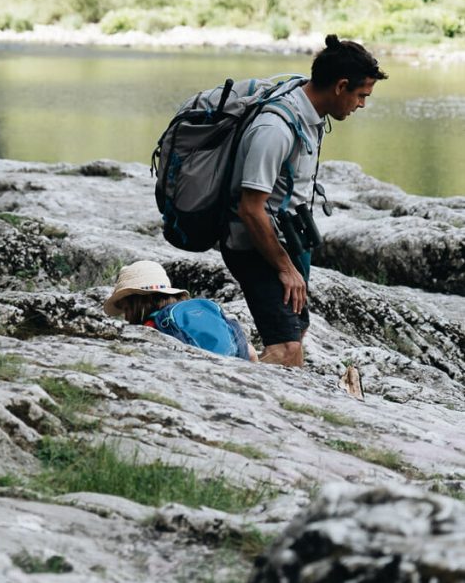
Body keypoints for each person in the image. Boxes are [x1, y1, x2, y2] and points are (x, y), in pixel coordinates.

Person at [220, 34, 388, 368]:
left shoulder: (308, 112)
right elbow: (250, 209)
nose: (362, 105)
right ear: (340, 86)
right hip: (254, 247)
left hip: (287, 241)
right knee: (286, 350)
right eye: (361, 95)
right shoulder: (275, 129)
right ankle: (245, 400)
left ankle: (248, 364)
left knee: (298, 330)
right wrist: (285, 268)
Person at [104, 259, 258, 361]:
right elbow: (250, 353)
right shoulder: (197, 309)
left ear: (135, 303)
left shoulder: (152, 327)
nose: (125, 317)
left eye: (125, 309)